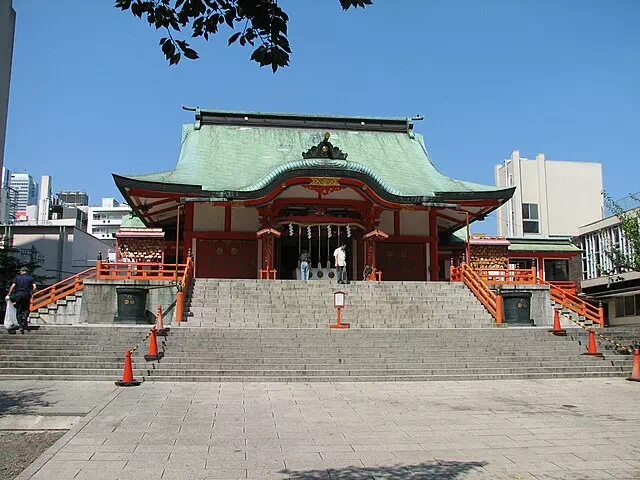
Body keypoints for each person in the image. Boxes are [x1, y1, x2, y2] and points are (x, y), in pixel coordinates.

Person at [7, 267, 37, 332]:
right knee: (26, 308)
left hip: (18, 295)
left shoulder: (17, 277)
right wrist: (31, 292)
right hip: (26, 295)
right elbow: (35, 287)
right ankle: (24, 317)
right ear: (27, 271)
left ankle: (20, 326)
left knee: (19, 310)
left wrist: (9, 294)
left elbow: (12, 286)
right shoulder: (31, 278)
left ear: (22, 271)